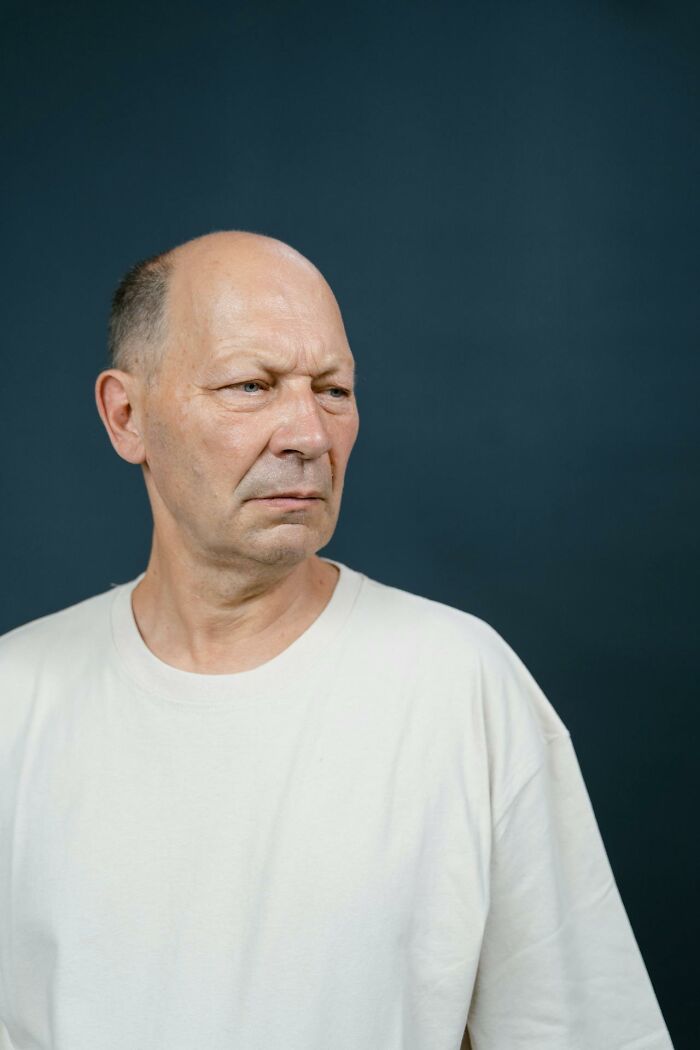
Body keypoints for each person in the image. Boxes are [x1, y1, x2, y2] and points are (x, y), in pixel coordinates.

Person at [0, 231, 674, 1050]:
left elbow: (581, 1031)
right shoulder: (17, 698)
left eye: (334, 390)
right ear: (126, 415)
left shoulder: (460, 688)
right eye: (252, 385)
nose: (308, 435)